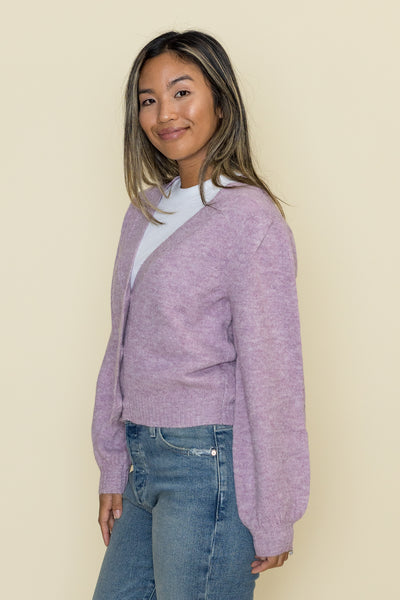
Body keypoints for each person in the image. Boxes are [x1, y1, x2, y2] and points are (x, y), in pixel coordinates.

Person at [91, 30, 310, 600]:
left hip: (207, 466)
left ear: (221, 101)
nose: (165, 113)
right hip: (142, 460)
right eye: (148, 99)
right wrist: (114, 462)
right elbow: (121, 345)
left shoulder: (249, 219)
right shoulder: (144, 211)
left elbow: (273, 373)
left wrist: (274, 511)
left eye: (182, 92)